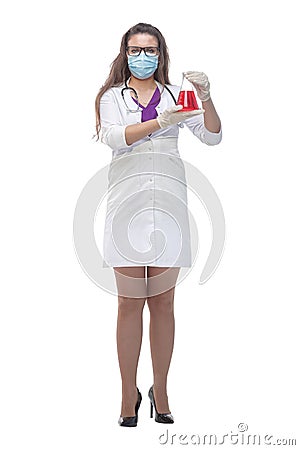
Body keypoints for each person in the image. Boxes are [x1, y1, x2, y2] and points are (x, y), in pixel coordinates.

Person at [94, 22, 222, 427]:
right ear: (125, 53)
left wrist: (205, 98)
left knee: (164, 302)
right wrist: (162, 121)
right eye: (136, 49)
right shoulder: (112, 97)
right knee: (129, 303)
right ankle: (127, 393)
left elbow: (213, 136)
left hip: (168, 208)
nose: (143, 56)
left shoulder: (175, 96)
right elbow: (116, 137)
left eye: (150, 50)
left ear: (161, 54)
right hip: (126, 209)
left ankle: (161, 390)